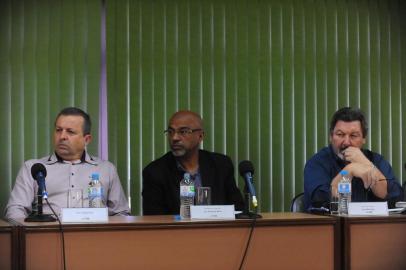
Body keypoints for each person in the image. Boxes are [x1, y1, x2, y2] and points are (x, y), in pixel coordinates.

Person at [5, 107, 130, 219]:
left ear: (86, 139)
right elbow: (15, 210)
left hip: (94, 237)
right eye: (59, 130)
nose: (62, 136)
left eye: (70, 132)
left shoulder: (106, 169)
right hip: (47, 236)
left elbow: (121, 213)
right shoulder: (34, 168)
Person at [142, 110, 245, 215]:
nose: (174, 138)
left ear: (200, 136)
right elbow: (154, 219)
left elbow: (238, 208)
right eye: (171, 132)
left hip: (218, 230)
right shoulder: (155, 172)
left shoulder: (221, 165)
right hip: (177, 230)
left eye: (183, 131)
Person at [304, 107, 403, 211]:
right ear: (331, 136)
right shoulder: (317, 163)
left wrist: (365, 163)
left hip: (371, 225)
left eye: (353, 136)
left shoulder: (377, 160)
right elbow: (321, 200)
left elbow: (397, 198)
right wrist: (348, 171)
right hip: (330, 226)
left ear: (364, 138)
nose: (346, 142)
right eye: (340, 134)